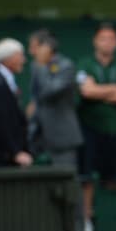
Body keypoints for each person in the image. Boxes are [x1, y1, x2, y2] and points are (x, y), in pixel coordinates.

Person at [77, 22, 116, 231]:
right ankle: (87, 223)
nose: (107, 43)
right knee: (88, 177)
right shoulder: (85, 64)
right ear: (95, 41)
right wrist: (113, 89)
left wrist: (99, 90)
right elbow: (86, 92)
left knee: (115, 178)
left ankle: (114, 224)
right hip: (90, 130)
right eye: (103, 38)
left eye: (111, 39)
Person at [29, 29, 83, 173]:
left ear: (47, 47)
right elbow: (36, 96)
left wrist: (41, 66)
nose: (31, 52)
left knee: (65, 184)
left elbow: (48, 91)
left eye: (34, 47)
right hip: (39, 137)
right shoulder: (35, 65)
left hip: (62, 138)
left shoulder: (66, 66)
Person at [0, 38, 33, 168]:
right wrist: (15, 152)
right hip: (1, 156)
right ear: (9, 58)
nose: (23, 60)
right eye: (20, 56)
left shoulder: (6, 81)